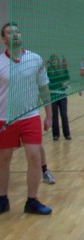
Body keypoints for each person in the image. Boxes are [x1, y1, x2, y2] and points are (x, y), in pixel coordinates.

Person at [0, 22, 53, 214]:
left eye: (17, 32)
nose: (15, 35)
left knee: (34, 157)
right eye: (10, 33)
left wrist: (49, 115)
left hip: (30, 116)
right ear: (4, 39)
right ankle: (2, 199)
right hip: (5, 118)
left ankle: (32, 201)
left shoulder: (35, 59)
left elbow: (44, 88)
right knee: (3, 160)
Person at [46, 54, 71, 141]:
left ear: (58, 60)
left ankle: (67, 134)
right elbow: (45, 80)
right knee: (54, 116)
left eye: (55, 59)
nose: (54, 61)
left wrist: (65, 83)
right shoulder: (48, 70)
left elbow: (68, 79)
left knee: (64, 114)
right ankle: (55, 135)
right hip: (53, 96)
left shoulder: (63, 68)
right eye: (52, 60)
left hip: (62, 95)